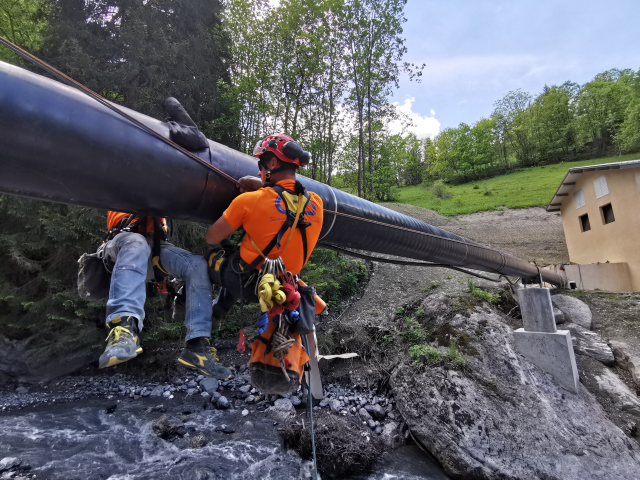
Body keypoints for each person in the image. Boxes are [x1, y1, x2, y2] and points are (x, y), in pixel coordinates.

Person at [98, 99, 230, 379]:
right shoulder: (121, 179)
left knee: (195, 265)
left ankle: (197, 346)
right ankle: (123, 330)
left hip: (155, 250)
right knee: (135, 244)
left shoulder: (162, 187)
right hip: (121, 245)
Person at [205, 133, 324, 322]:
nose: (259, 172)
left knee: (211, 259)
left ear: (273, 164)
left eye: (260, 167)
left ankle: (204, 317)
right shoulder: (316, 203)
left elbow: (211, 237)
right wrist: (261, 185)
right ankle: (220, 308)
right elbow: (285, 202)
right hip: (287, 286)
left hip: (252, 284)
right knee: (239, 256)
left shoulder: (249, 201)